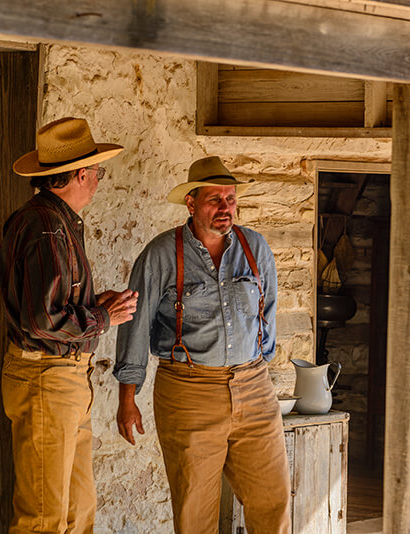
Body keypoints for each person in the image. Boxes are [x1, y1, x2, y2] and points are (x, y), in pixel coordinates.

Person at [114, 156, 290, 533]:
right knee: (196, 510)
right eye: (214, 199)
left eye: (230, 198)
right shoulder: (162, 254)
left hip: (253, 386)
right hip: (188, 391)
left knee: (272, 500)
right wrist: (127, 399)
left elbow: (268, 311)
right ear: (191, 204)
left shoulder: (255, 247)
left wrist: (259, 367)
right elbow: (135, 323)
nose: (225, 207)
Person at [0, 116, 139, 533]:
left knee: (78, 511)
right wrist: (102, 316)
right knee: (43, 517)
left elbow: (46, 305)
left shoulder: (53, 221)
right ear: (81, 175)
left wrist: (92, 303)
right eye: (97, 172)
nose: (98, 179)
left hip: (63, 379)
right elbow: (42, 319)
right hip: (47, 378)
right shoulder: (46, 227)